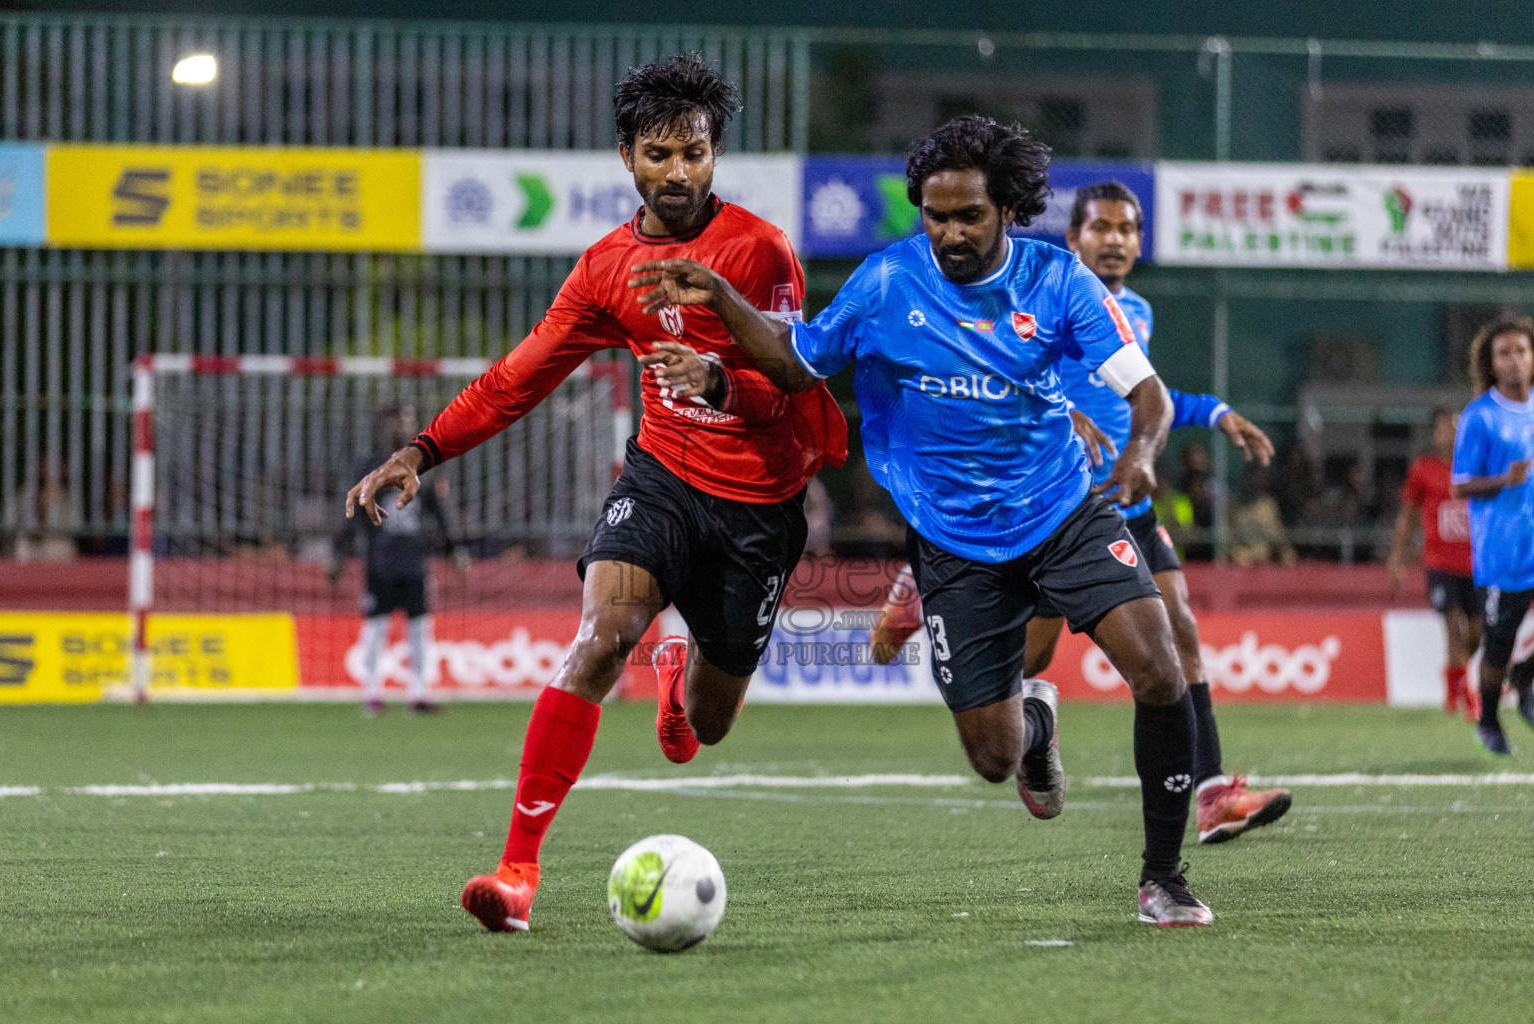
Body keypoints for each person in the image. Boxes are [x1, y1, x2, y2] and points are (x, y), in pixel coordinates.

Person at [632, 118, 1213, 926]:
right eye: (935, 216)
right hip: (954, 543)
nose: (949, 233)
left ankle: (1164, 877)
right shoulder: (885, 283)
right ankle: (1035, 722)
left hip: (1060, 508)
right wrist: (725, 300)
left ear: (1007, 208)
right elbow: (796, 361)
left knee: (1158, 668)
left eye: (968, 215)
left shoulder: (1058, 280)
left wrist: (1143, 454)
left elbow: (1145, 396)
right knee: (993, 757)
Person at [345, 54, 846, 933]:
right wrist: (421, 452)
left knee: (712, 726)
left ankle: (682, 674)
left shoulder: (762, 250)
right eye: (660, 154)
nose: (679, 172)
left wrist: (722, 379)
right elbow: (517, 378)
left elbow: (800, 391)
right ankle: (516, 874)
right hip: (660, 479)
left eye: (695, 153)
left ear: (715, 154)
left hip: (759, 507)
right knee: (598, 638)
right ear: (627, 158)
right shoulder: (605, 267)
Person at [872, 181, 1291, 847]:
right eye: (1102, 228)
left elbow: (1137, 395)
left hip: (1127, 506)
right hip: (1050, 513)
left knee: (1179, 634)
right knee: (1024, 672)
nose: (1116, 240)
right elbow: (1001, 376)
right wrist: (1058, 411)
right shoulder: (1041, 297)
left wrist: (1213, 411)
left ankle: (1211, 795)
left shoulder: (1138, 311)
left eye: (1128, 229)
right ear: (1074, 239)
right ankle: (943, 604)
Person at [330, 404, 466, 716]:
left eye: (405, 421)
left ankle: (419, 692)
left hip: (414, 560)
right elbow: (354, 512)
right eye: (394, 422)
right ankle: (372, 692)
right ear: (383, 427)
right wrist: (339, 553)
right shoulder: (371, 466)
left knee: (419, 627)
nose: (400, 427)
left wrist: (454, 549)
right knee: (376, 626)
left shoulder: (423, 464)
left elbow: (438, 513)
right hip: (380, 560)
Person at [1451, 318, 1534, 756]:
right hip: (1504, 552)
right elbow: (1460, 485)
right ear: (1491, 362)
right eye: (1504, 353)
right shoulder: (1479, 417)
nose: (1515, 360)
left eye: (1521, 350)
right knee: (1498, 644)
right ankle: (1487, 720)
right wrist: (1505, 478)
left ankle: (1526, 677)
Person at [1388, 407, 1480, 718]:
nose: (1451, 433)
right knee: (1452, 625)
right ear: (1434, 434)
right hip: (1440, 563)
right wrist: (1397, 559)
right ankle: (1465, 693)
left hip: (1476, 565)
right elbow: (1407, 517)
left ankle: (1456, 675)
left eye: (1456, 427)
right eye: (1444, 428)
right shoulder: (1423, 470)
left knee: (1476, 632)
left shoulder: (1478, 468)